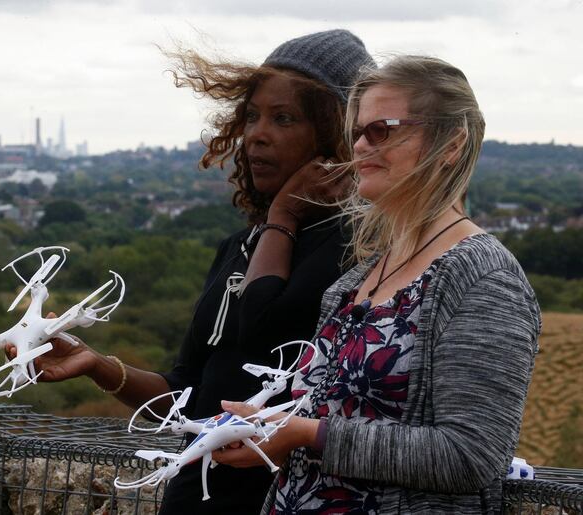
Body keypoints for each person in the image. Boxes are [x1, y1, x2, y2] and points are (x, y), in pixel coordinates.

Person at [7, 30, 373, 514]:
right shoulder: (238, 248)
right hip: (196, 500)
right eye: (252, 116)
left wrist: (283, 215)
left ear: (336, 135)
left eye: (284, 119)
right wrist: (95, 363)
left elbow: (263, 324)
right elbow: (187, 399)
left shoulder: (363, 251)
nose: (257, 134)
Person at [213, 55, 541, 514]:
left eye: (381, 129)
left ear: (451, 143)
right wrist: (272, 425)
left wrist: (308, 434)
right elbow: (337, 414)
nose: (362, 146)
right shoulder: (357, 278)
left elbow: (472, 455)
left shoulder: (484, 278)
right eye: (357, 133)